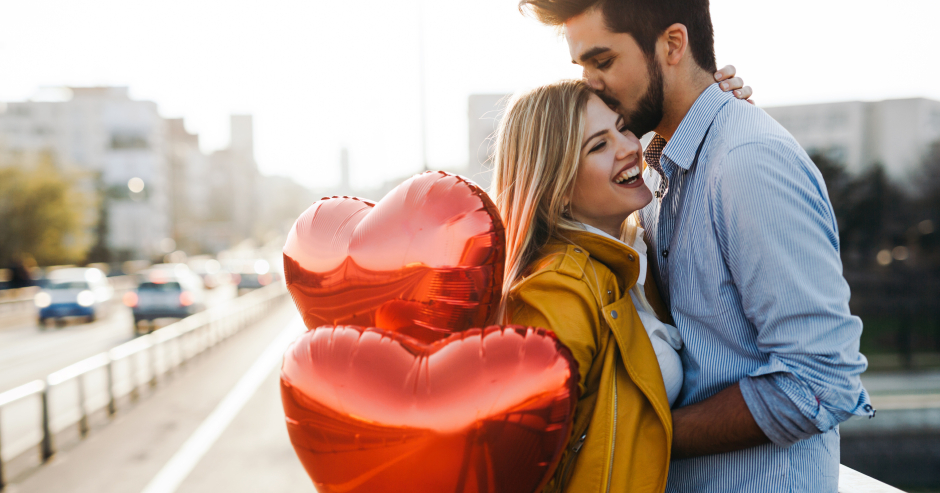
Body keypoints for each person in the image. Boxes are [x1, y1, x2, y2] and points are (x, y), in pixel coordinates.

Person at [517, 1, 874, 491]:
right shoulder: (654, 173)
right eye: (583, 67)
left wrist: (642, 436)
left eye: (603, 62)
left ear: (673, 44)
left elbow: (820, 381)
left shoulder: (747, 162)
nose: (592, 84)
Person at [491, 75, 749, 492]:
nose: (630, 147)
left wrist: (719, 120)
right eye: (598, 145)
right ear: (554, 186)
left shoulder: (631, 251)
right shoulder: (556, 291)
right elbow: (516, 467)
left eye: (622, 126)